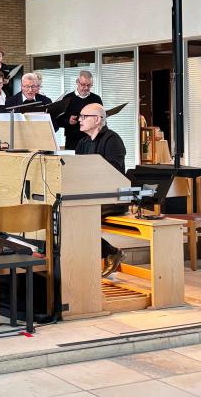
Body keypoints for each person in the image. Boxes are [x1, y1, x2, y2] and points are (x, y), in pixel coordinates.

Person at [75, 103, 127, 277]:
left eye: (84, 117)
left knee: (79, 217)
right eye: (80, 116)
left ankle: (110, 252)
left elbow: (113, 173)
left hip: (113, 197)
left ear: (97, 119)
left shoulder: (112, 140)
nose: (80, 120)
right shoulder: (82, 142)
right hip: (90, 196)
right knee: (65, 215)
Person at [62, 71, 103, 149]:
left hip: (92, 140)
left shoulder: (96, 99)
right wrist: (68, 121)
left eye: (89, 85)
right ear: (77, 82)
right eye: (83, 85)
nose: (86, 88)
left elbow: (102, 119)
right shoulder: (67, 98)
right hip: (73, 140)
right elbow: (59, 120)